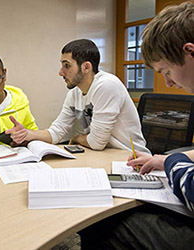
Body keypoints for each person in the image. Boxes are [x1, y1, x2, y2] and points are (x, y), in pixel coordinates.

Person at [78, 2, 194, 249]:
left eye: (167, 71)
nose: (168, 82)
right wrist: (164, 160)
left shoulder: (105, 86)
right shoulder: (77, 92)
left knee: (98, 219)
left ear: (190, 52)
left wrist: (173, 162)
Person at [6, 39, 150, 154]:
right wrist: (27, 134)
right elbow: (56, 132)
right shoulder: (74, 94)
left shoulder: (106, 85)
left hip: (129, 158)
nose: (60, 72)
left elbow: (97, 143)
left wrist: (76, 138)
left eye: (66, 65)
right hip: (102, 155)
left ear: (86, 67)